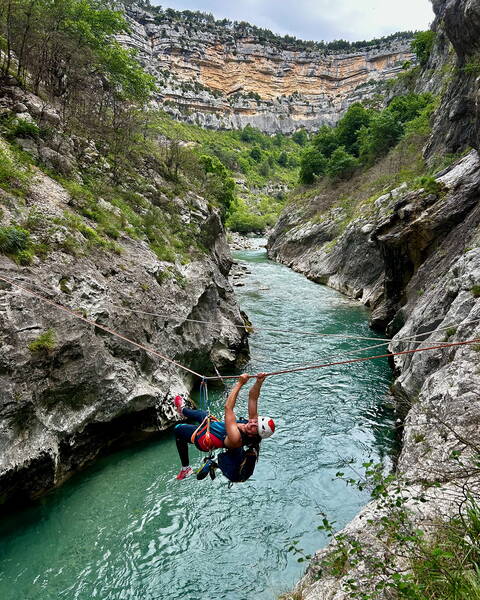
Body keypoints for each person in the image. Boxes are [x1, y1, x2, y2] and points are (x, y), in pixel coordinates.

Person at [174, 373, 275, 480]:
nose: (253, 423)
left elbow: (228, 408)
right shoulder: (252, 423)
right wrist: (259, 382)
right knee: (201, 414)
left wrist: (240, 383)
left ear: (255, 435)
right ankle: (182, 410)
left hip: (204, 439)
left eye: (256, 427)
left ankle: (186, 469)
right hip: (213, 426)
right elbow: (253, 397)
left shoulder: (236, 438)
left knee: (178, 430)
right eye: (256, 421)